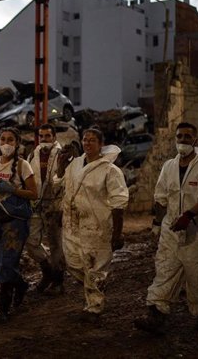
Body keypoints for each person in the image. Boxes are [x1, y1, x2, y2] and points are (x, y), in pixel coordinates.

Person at [134, 122, 198, 335]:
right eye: (179, 137)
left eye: (187, 137)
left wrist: (189, 215)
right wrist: (157, 224)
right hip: (170, 232)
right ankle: (156, 315)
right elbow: (161, 198)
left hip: (197, 233)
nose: (182, 140)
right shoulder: (168, 166)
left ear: (195, 140)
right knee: (164, 271)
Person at [61, 127, 128, 322]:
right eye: (85, 139)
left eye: (92, 140)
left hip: (97, 226)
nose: (87, 143)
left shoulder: (110, 170)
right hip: (73, 224)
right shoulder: (75, 165)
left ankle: (95, 307)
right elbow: (63, 184)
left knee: (95, 266)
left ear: (100, 145)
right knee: (73, 262)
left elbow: (118, 202)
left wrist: (117, 232)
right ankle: (94, 289)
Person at [0, 127, 38, 324]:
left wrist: (12, 189)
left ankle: (3, 310)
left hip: (15, 221)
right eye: (3, 139)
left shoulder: (23, 166)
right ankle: (21, 284)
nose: (6, 143)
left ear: (17, 143)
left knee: (6, 263)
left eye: (10, 140)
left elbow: (34, 194)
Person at [24, 123, 75, 293]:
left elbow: (69, 184)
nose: (44, 139)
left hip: (55, 205)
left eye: (47, 136)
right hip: (36, 204)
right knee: (30, 241)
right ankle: (47, 271)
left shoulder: (63, 155)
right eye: (41, 136)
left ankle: (58, 281)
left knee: (56, 245)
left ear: (54, 137)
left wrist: (63, 208)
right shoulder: (33, 154)